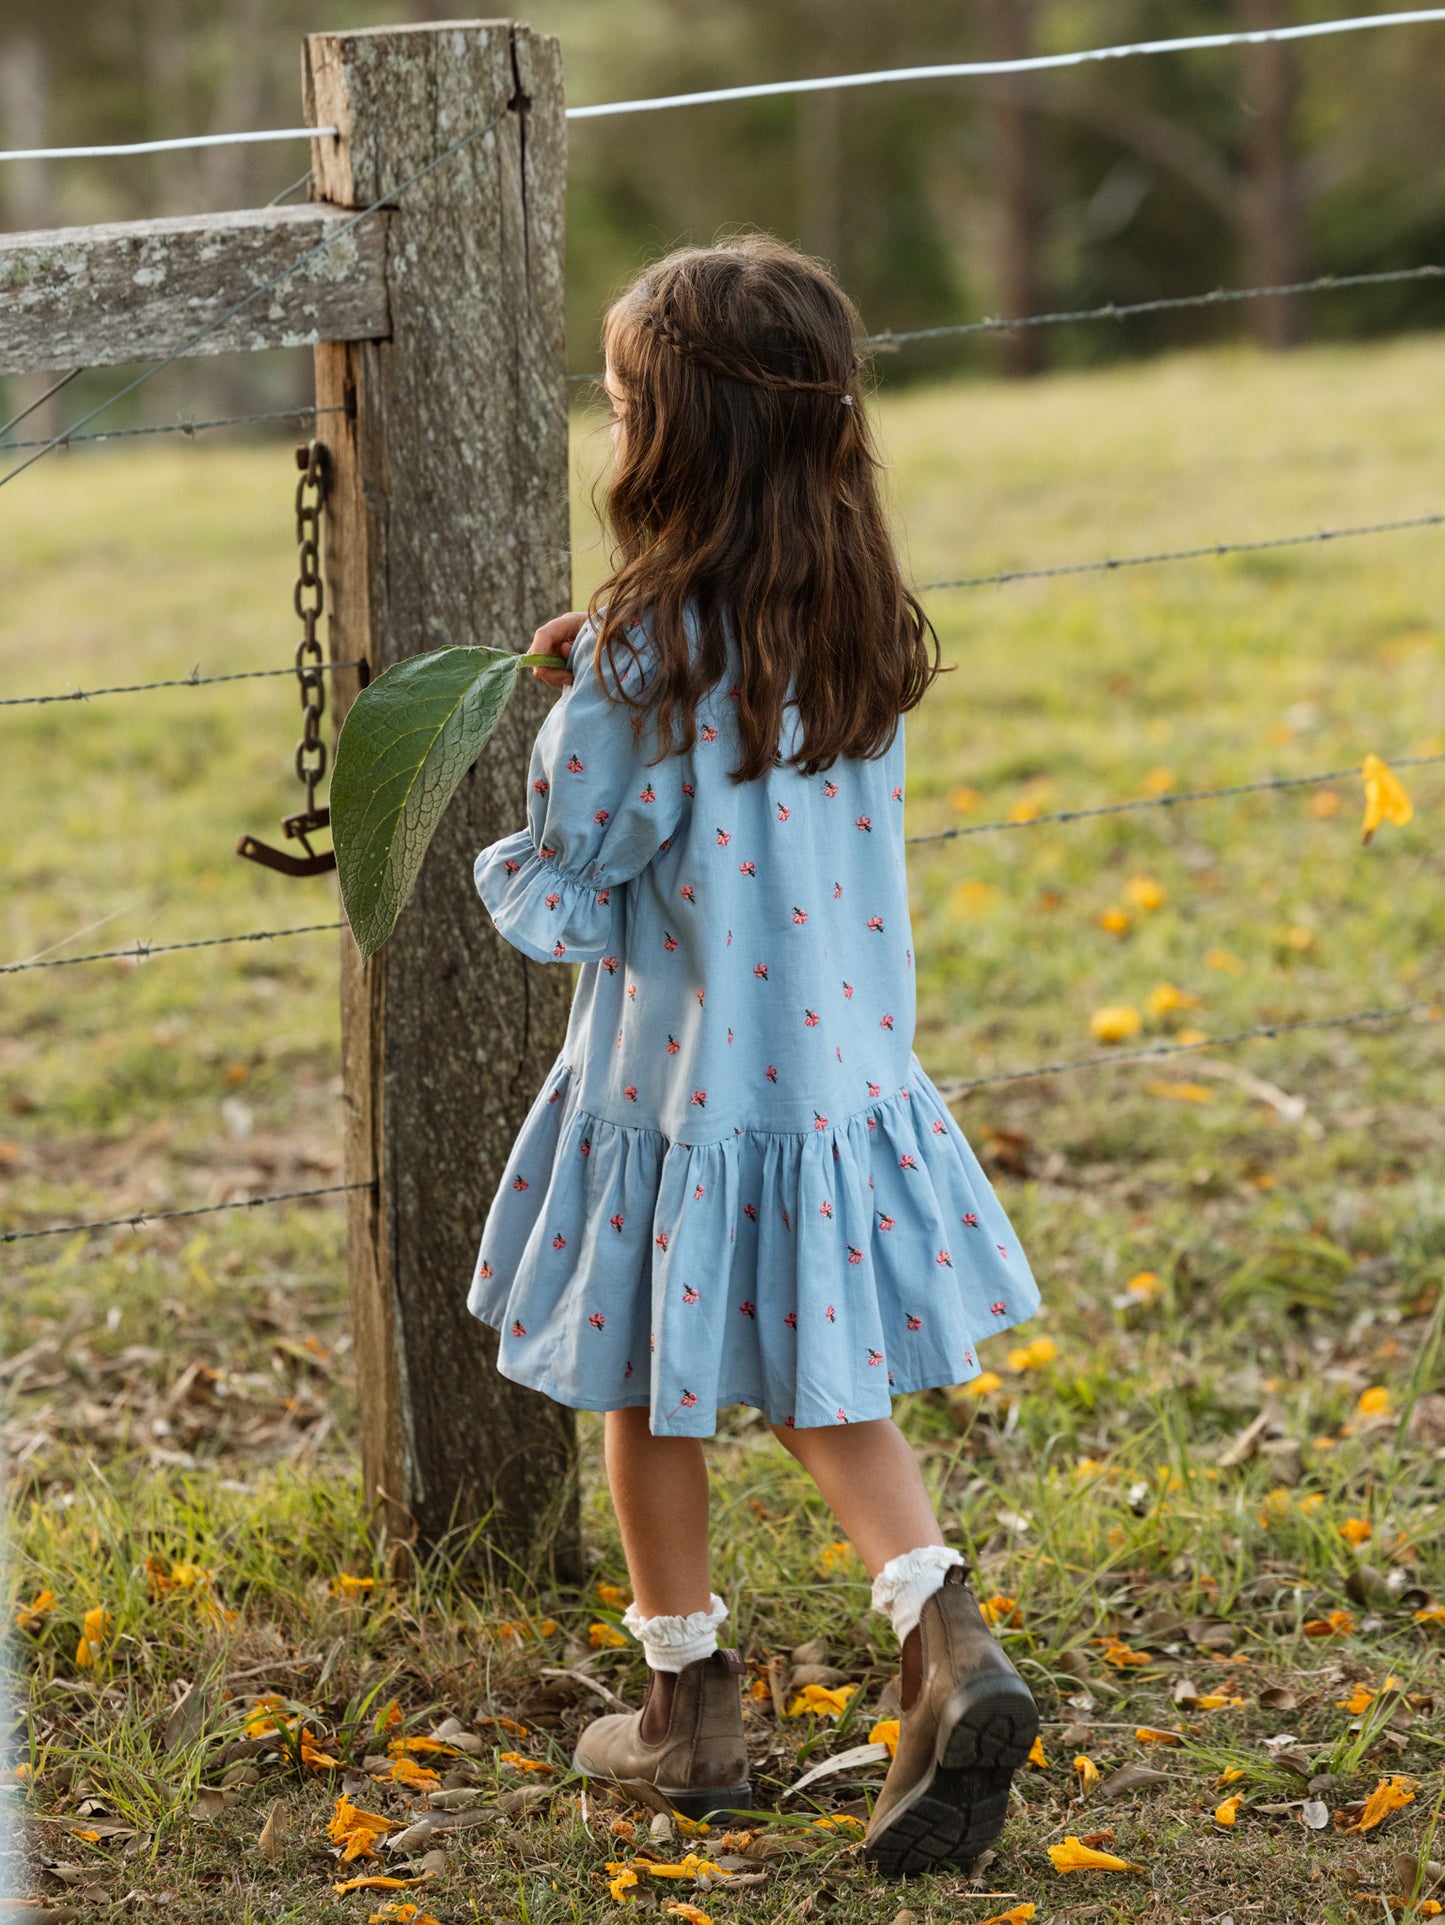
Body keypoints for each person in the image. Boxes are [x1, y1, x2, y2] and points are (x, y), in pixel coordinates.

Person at [467, 234, 1042, 1875]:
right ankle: (941, 1631)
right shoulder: (853, 617)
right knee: (825, 1385)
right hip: (838, 1074)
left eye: (624, 395)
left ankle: (682, 1706)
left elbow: (582, 866)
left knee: (649, 1382)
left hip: (679, 1091)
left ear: (674, 439)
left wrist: (573, 690)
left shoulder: (647, 650)